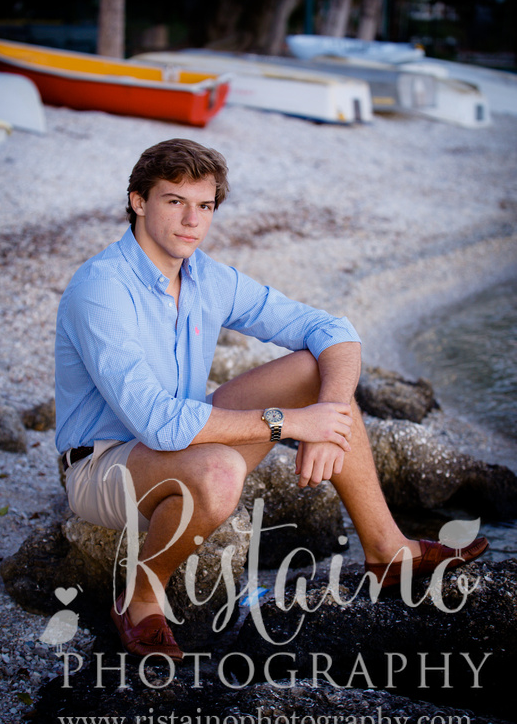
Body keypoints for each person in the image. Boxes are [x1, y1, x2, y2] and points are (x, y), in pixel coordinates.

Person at [55, 138, 488, 660]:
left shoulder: (205, 277)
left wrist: (327, 419)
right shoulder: (100, 288)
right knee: (219, 472)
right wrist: (292, 425)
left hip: (185, 440)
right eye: (175, 201)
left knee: (318, 374)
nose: (193, 220)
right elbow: (157, 423)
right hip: (103, 465)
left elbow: (332, 328)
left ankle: (387, 549)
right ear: (138, 201)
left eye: (205, 206)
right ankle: (140, 598)